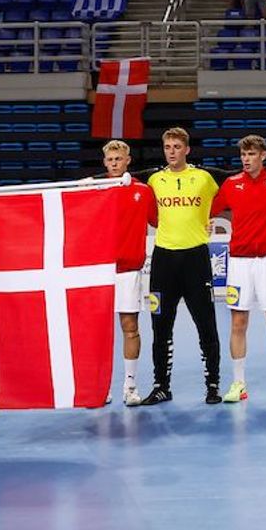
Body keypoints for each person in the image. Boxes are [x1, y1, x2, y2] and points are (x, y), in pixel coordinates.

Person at [139, 128, 223, 407]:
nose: (171, 151)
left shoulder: (205, 177)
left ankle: (213, 385)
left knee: (206, 325)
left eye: (177, 146)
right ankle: (161, 387)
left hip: (195, 259)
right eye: (167, 147)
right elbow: (120, 178)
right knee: (160, 327)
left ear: (187, 149)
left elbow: (241, 175)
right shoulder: (154, 179)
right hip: (163, 261)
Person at [209, 135, 266, 403]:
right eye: (243, 155)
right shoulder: (232, 184)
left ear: (263, 155)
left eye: (251, 154)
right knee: (238, 323)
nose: (246, 159)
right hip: (239, 264)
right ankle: (239, 384)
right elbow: (207, 209)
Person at [98, 140, 156, 406]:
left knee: (130, 328)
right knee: (98, 333)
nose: (114, 163)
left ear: (128, 160)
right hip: (99, 271)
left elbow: (161, 220)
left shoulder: (143, 191)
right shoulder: (94, 191)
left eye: (118, 159)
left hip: (129, 271)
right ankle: (99, 388)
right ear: (104, 162)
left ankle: (130, 387)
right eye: (110, 159)